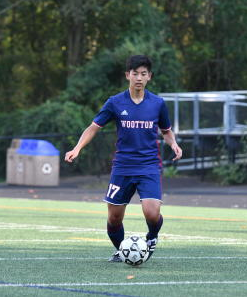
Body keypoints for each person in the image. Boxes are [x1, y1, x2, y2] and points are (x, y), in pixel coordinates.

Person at [65, 55, 182, 262]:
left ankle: (152, 238)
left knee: (152, 213)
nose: (139, 77)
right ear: (128, 75)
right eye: (135, 73)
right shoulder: (115, 103)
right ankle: (123, 250)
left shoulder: (157, 103)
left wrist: (173, 143)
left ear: (149, 77)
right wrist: (77, 148)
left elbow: (166, 130)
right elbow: (93, 128)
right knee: (114, 217)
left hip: (148, 166)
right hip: (122, 167)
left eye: (143, 74)